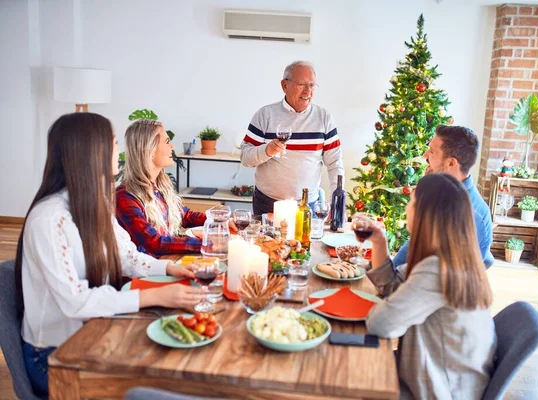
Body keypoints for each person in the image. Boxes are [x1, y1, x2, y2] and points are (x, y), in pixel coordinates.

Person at [14, 113, 203, 396]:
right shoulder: (49, 219)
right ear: (92, 151)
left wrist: (169, 270)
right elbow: (74, 302)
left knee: (177, 360)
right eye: (114, 143)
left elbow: (126, 255)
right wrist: (152, 296)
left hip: (96, 326)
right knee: (161, 380)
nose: (120, 151)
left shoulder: (95, 201)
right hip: (56, 356)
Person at [355, 174, 497, 400]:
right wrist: (380, 241)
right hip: (451, 380)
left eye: (411, 201)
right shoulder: (455, 256)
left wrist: (392, 305)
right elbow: (392, 286)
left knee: (346, 371)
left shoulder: (438, 269)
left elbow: (381, 325)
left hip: (438, 390)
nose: (407, 208)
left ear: (425, 213)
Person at [116, 119, 236, 256]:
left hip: (167, 264)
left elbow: (185, 216)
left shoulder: (159, 186)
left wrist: (220, 221)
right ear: (149, 149)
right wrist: (210, 245)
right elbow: (154, 243)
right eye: (167, 142)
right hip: (147, 273)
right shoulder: (125, 196)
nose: (172, 147)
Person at [240, 60, 344, 215]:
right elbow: (245, 158)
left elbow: (335, 163)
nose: (308, 91)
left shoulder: (324, 118)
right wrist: (267, 151)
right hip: (268, 204)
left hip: (308, 206)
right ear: (284, 85)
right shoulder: (265, 115)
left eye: (312, 85)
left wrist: (337, 203)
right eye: (301, 84)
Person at [395, 124, 494, 268]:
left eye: (432, 152)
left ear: (451, 163)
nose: (425, 156)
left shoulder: (472, 215)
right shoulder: (440, 194)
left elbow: (449, 279)